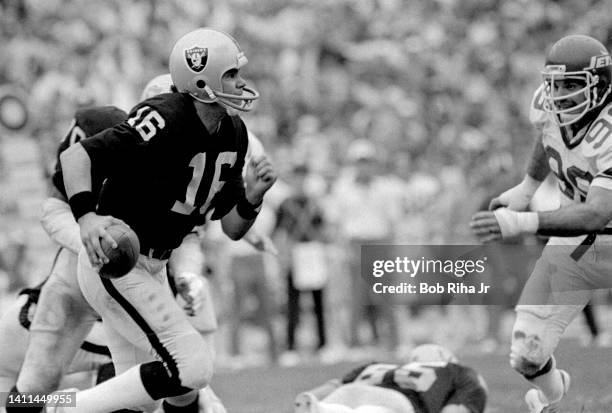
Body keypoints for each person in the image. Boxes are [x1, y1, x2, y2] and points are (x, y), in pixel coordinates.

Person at [54, 27, 276, 413]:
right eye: (231, 74)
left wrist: (254, 197)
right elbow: (77, 158)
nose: (241, 83)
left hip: (153, 266)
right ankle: (59, 408)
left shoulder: (233, 133)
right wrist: (87, 217)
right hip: (118, 261)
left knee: (166, 395)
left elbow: (231, 227)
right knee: (194, 367)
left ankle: (31, 404)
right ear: (201, 81)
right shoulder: (165, 118)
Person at [470, 34, 612, 413]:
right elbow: (547, 136)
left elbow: (598, 212)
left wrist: (520, 222)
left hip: (601, 230)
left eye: (571, 85)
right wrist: (527, 187)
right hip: (579, 244)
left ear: (600, 84)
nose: (560, 94)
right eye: (555, 83)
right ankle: (552, 399)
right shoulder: (547, 106)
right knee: (526, 352)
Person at [294, 343, 487, 413]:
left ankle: (323, 409)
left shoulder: (377, 366)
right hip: (395, 402)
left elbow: (332, 386)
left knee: (334, 407)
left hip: (345, 394)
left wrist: (307, 400)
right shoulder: (459, 373)